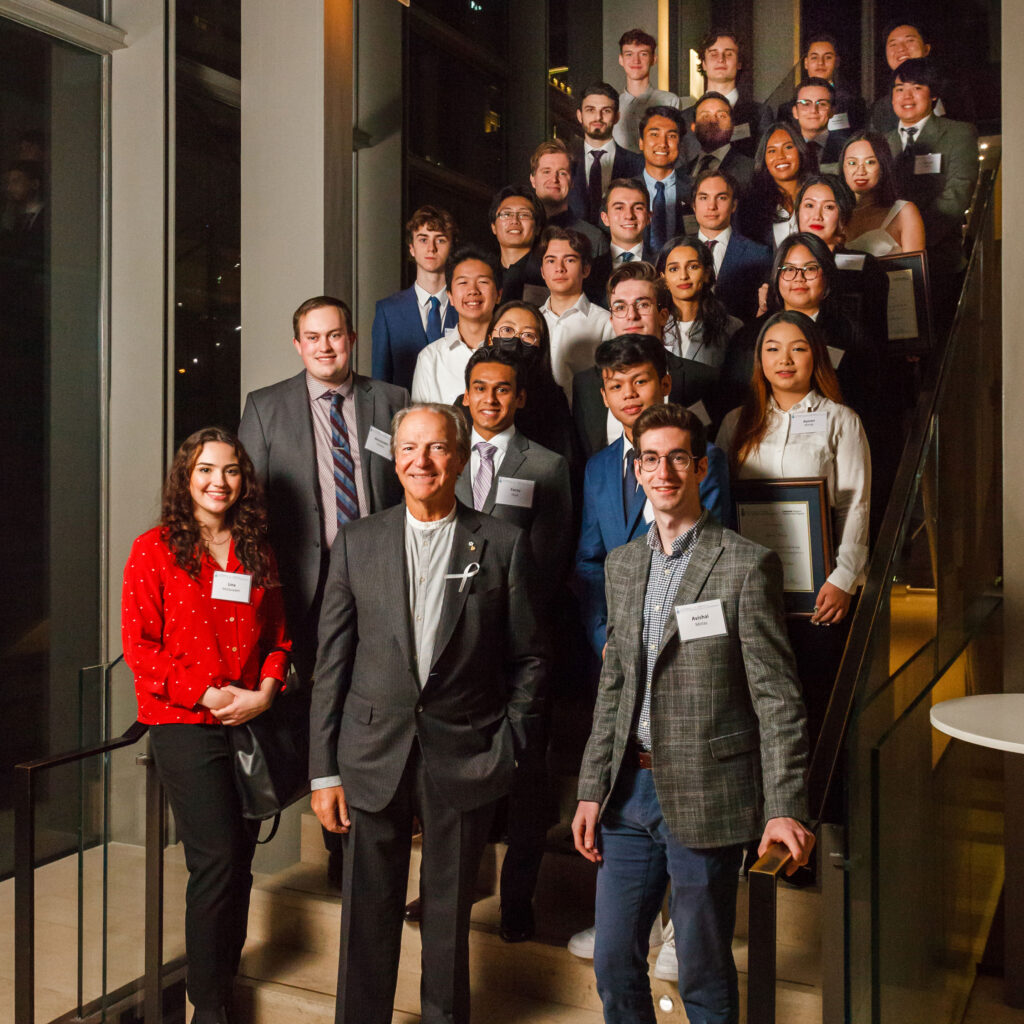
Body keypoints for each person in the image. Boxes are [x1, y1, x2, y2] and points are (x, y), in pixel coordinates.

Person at [572, 401, 814, 1024]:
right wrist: (591, 789)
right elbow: (614, 686)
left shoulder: (743, 564)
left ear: (699, 466)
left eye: (678, 457)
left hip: (709, 794)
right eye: (650, 459)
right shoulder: (622, 567)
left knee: (704, 971)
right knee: (613, 964)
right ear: (637, 470)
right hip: (629, 795)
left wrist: (784, 804)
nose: (663, 471)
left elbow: (778, 699)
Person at [309, 403, 547, 1024]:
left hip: (464, 754)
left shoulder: (501, 543)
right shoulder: (359, 542)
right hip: (370, 751)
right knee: (367, 912)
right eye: (410, 449)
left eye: (437, 448)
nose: (422, 461)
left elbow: (530, 659)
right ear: (395, 459)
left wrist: (509, 744)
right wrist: (323, 771)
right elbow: (331, 663)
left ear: (461, 459)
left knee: (446, 917)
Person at [122, 428, 292, 1024]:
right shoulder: (154, 549)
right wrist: (209, 692)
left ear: (243, 481)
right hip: (183, 722)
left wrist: (267, 691)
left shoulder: (256, 550)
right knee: (216, 857)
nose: (219, 482)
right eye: (205, 470)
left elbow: (279, 637)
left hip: (248, 719)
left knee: (239, 858)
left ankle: (223, 979)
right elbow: (140, 650)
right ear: (185, 478)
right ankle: (206, 1003)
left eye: (231, 471)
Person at [456, 345, 573, 942]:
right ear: (466, 391)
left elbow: (550, 565)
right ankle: (449, 891)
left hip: (520, 647)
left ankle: (516, 901)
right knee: (456, 784)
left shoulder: (546, 466)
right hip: (453, 653)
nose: (490, 399)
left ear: (520, 396)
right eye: (480, 387)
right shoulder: (441, 456)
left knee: (526, 784)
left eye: (502, 389)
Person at [717, 310, 870, 739]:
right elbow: (722, 504)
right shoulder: (736, 422)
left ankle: (818, 804)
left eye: (798, 348)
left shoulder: (841, 420)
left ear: (815, 357)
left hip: (820, 593)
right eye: (772, 349)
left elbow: (855, 505)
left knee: (816, 705)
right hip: (751, 591)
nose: (785, 359)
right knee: (753, 705)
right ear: (759, 360)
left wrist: (843, 577)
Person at [575, 334, 730, 660]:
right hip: (615, 643)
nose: (628, 394)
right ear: (604, 396)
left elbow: (710, 556)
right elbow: (590, 562)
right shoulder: (598, 468)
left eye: (640, 381)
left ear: (665, 382)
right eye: (616, 386)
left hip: (684, 641)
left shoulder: (703, 460)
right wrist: (601, 635)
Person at [572, 262, 721, 459]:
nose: (631, 316)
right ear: (611, 319)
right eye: (620, 307)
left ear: (663, 316)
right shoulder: (586, 384)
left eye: (643, 304)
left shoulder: (705, 380)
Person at [885, 57, 978, 280]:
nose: (906, 96)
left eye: (917, 88)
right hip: (885, 257)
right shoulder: (881, 142)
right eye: (899, 89)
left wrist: (911, 238)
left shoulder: (958, 134)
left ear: (933, 94)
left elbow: (957, 194)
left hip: (938, 260)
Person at [371, 205, 458, 391]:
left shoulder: (464, 306)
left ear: (451, 247)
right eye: (423, 239)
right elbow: (380, 381)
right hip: (407, 415)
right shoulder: (388, 311)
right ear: (412, 248)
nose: (431, 248)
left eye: (440, 240)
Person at [411, 246, 501, 404]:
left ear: (499, 294)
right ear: (450, 296)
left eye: (482, 282)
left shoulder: (512, 350)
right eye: (463, 282)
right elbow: (423, 421)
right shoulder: (431, 358)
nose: (473, 290)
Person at [538, 225, 615, 399]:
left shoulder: (605, 323)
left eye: (570, 260)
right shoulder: (531, 321)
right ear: (542, 271)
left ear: (586, 269)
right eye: (551, 261)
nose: (559, 268)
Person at [868, 21, 976, 135]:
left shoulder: (954, 91)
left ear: (926, 49)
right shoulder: (880, 109)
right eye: (893, 44)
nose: (901, 49)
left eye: (909, 41)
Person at [691, 169, 771, 321]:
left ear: (734, 205)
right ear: (694, 205)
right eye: (703, 198)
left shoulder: (758, 254)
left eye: (721, 198)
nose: (711, 206)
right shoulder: (677, 251)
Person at [682, 31, 772, 160]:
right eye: (714, 54)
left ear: (739, 63)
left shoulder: (760, 114)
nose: (721, 59)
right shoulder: (684, 117)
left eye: (729, 54)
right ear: (704, 64)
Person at [655, 234, 742, 367]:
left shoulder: (731, 327)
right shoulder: (653, 325)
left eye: (693, 267)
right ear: (663, 278)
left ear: (707, 273)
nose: (683, 276)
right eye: (674, 269)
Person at [569, 82, 645, 225]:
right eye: (590, 110)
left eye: (606, 111)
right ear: (580, 116)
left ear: (617, 117)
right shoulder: (565, 164)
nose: (598, 117)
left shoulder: (638, 164)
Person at [841, 131, 926, 256]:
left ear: (883, 166)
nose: (860, 171)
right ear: (843, 168)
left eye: (870, 162)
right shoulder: (835, 212)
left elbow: (917, 272)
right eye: (852, 163)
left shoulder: (904, 212)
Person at [740, 121, 815, 249]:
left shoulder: (820, 195)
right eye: (772, 151)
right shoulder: (751, 206)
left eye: (788, 147)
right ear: (764, 159)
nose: (780, 156)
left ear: (800, 151)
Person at [529, 138, 608, 255]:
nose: (554, 179)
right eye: (546, 171)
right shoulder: (519, 231)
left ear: (572, 182)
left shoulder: (594, 238)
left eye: (562, 173)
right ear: (533, 180)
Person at [612, 28, 682, 155]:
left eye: (643, 54)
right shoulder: (613, 104)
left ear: (653, 59)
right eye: (629, 54)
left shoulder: (669, 100)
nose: (636, 61)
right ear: (621, 60)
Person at [637, 106, 694, 257]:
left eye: (671, 136)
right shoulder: (621, 192)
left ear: (680, 144)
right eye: (654, 134)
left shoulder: (696, 190)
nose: (663, 143)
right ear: (641, 143)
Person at [587, 177, 653, 301]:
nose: (629, 215)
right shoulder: (589, 271)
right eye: (619, 208)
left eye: (638, 208)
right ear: (605, 218)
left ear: (649, 217)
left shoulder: (662, 264)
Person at [686, 91, 754, 195]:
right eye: (705, 116)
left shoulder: (751, 170)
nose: (713, 121)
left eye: (721, 116)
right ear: (693, 127)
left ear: (732, 125)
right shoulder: (681, 173)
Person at [487, 185, 546, 303]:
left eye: (524, 215)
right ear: (493, 226)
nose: (514, 221)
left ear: (538, 228)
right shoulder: (483, 271)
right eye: (506, 214)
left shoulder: (548, 273)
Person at [800, 32, 866, 131]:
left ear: (837, 62)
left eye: (828, 57)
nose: (820, 63)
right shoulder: (788, 108)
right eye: (814, 58)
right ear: (806, 63)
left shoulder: (852, 103)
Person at [791, 77, 850, 172]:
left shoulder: (847, 148)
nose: (814, 110)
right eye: (806, 104)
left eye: (822, 104)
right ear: (795, 112)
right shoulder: (785, 149)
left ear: (832, 111)